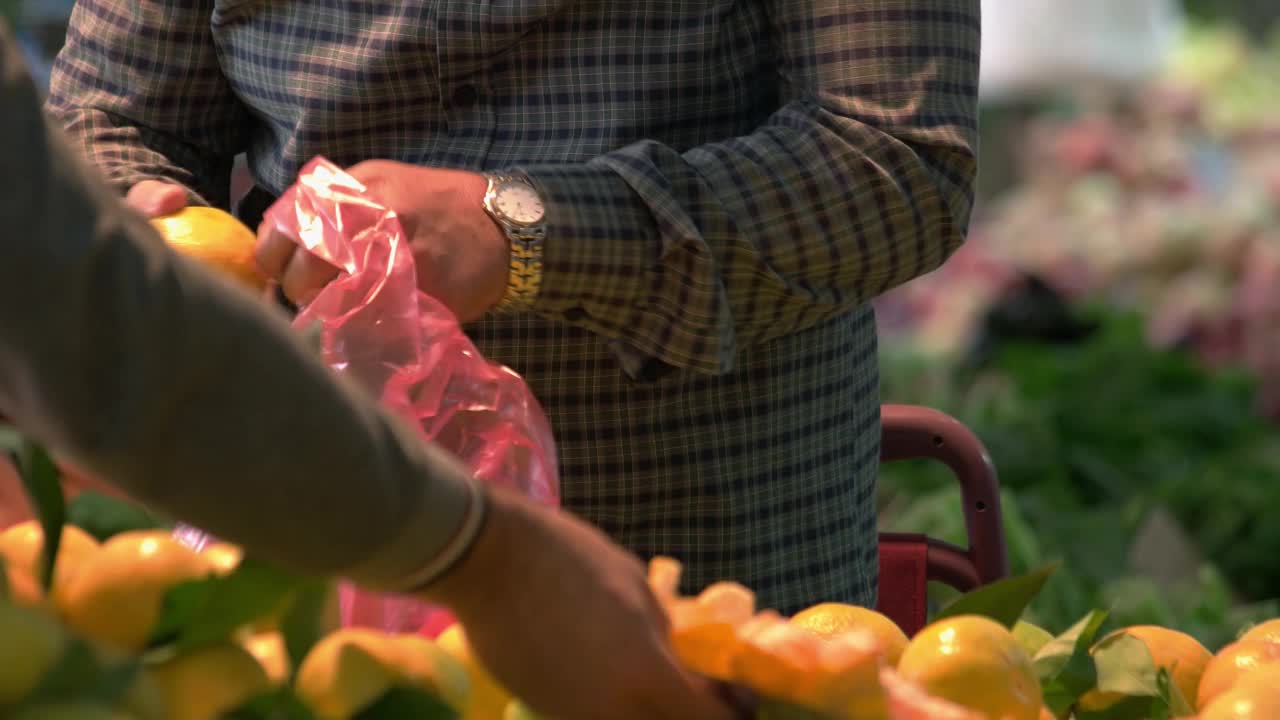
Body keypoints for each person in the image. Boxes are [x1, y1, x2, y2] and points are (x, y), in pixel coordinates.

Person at [48, 0, 980, 615]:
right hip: (313, 536)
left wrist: (523, 232)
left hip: (694, 564)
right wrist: (136, 208)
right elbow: (116, 114)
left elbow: (894, 166)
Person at [0, 24, 738, 720]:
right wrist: (487, 556)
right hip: (291, 527)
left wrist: (528, 230)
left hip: (710, 522)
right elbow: (84, 185)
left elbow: (854, 142)